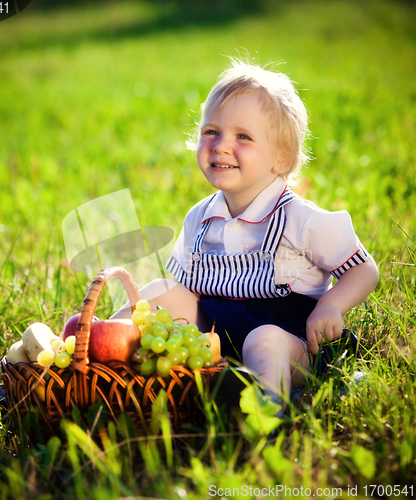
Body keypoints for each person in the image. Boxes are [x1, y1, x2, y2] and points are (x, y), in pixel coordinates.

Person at [113, 58, 379, 411]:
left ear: (281, 159)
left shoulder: (300, 219)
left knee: (262, 341)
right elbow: (185, 292)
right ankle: (96, 351)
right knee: (162, 292)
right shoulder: (201, 218)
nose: (221, 145)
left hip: (292, 343)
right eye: (211, 132)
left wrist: (331, 306)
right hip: (217, 340)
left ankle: (264, 411)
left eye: (243, 137)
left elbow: (365, 270)